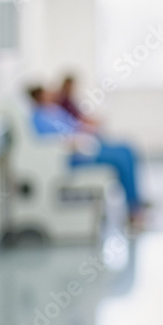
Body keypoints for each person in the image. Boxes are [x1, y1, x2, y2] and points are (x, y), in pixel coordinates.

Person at [27, 85, 145, 223]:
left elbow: (74, 126)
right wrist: (76, 140)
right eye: (46, 93)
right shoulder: (39, 117)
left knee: (126, 148)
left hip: (86, 145)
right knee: (120, 158)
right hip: (75, 156)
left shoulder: (54, 111)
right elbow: (53, 142)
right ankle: (133, 210)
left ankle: (136, 201)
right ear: (39, 97)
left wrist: (87, 130)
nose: (51, 95)